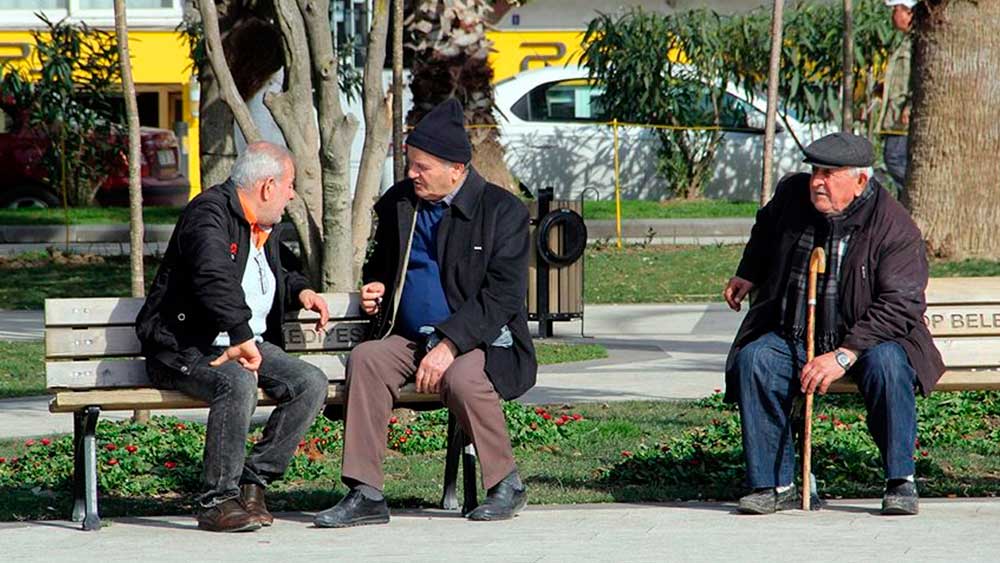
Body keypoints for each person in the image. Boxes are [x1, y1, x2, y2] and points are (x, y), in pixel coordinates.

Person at [313, 98, 537, 528]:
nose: (411, 174)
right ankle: (366, 493)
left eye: (422, 166)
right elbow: (382, 261)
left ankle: (507, 484)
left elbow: (502, 296)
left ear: (456, 169)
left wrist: (450, 344)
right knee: (367, 360)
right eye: (410, 164)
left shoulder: (501, 211)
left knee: (462, 376)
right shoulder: (402, 203)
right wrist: (376, 283)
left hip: (480, 340)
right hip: (411, 337)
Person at [722, 132, 944, 516]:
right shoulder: (793, 197)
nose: (816, 181)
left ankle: (900, 481)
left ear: (860, 181)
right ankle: (776, 483)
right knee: (756, 360)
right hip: (796, 331)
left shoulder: (893, 225)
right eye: (815, 171)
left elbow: (901, 304)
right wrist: (748, 273)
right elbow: (766, 228)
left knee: (890, 367)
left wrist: (843, 355)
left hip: (871, 339)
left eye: (829, 173)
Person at [136, 142, 331, 532]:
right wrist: (240, 334)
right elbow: (213, 276)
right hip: (182, 346)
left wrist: (300, 290)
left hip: (245, 343)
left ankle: (252, 483)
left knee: (310, 383)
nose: (292, 195)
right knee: (236, 382)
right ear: (267, 186)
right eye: (289, 185)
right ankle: (215, 501)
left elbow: (274, 270)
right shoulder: (207, 214)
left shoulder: (262, 226)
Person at [880, 0, 918, 191]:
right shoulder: (902, 41)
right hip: (893, 114)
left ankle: (911, 193)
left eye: (896, 10)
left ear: (909, 13)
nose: (893, 15)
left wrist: (910, 106)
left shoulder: (916, 42)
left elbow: (919, 77)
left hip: (901, 118)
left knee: (894, 158)